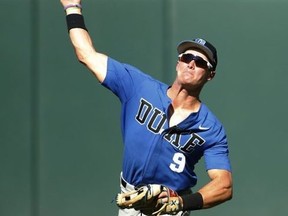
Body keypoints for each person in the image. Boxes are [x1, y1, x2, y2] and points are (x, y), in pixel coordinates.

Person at [60, 0, 233, 215]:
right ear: (178, 62)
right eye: (187, 57)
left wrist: (181, 202)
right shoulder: (139, 87)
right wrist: (72, 8)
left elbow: (224, 185)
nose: (191, 63)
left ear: (210, 75)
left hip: (170, 209)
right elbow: (86, 54)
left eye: (200, 62)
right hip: (130, 202)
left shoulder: (210, 128)